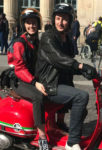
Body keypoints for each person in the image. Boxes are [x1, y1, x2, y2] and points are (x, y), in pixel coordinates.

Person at [35, 3, 97, 150]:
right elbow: (58, 58)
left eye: (64, 19)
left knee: (82, 109)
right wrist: (80, 66)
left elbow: (67, 64)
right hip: (48, 84)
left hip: (61, 83)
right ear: (53, 19)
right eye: (58, 18)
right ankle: (71, 143)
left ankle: (68, 135)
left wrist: (85, 71)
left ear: (70, 21)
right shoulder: (48, 37)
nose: (61, 22)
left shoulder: (67, 39)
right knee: (81, 97)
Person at [9, 8, 49, 150]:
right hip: (20, 81)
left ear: (38, 25)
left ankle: (55, 125)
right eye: (28, 23)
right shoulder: (19, 43)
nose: (31, 26)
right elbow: (19, 68)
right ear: (23, 25)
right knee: (38, 96)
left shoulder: (37, 42)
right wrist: (35, 83)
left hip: (33, 79)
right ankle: (42, 136)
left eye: (34, 23)